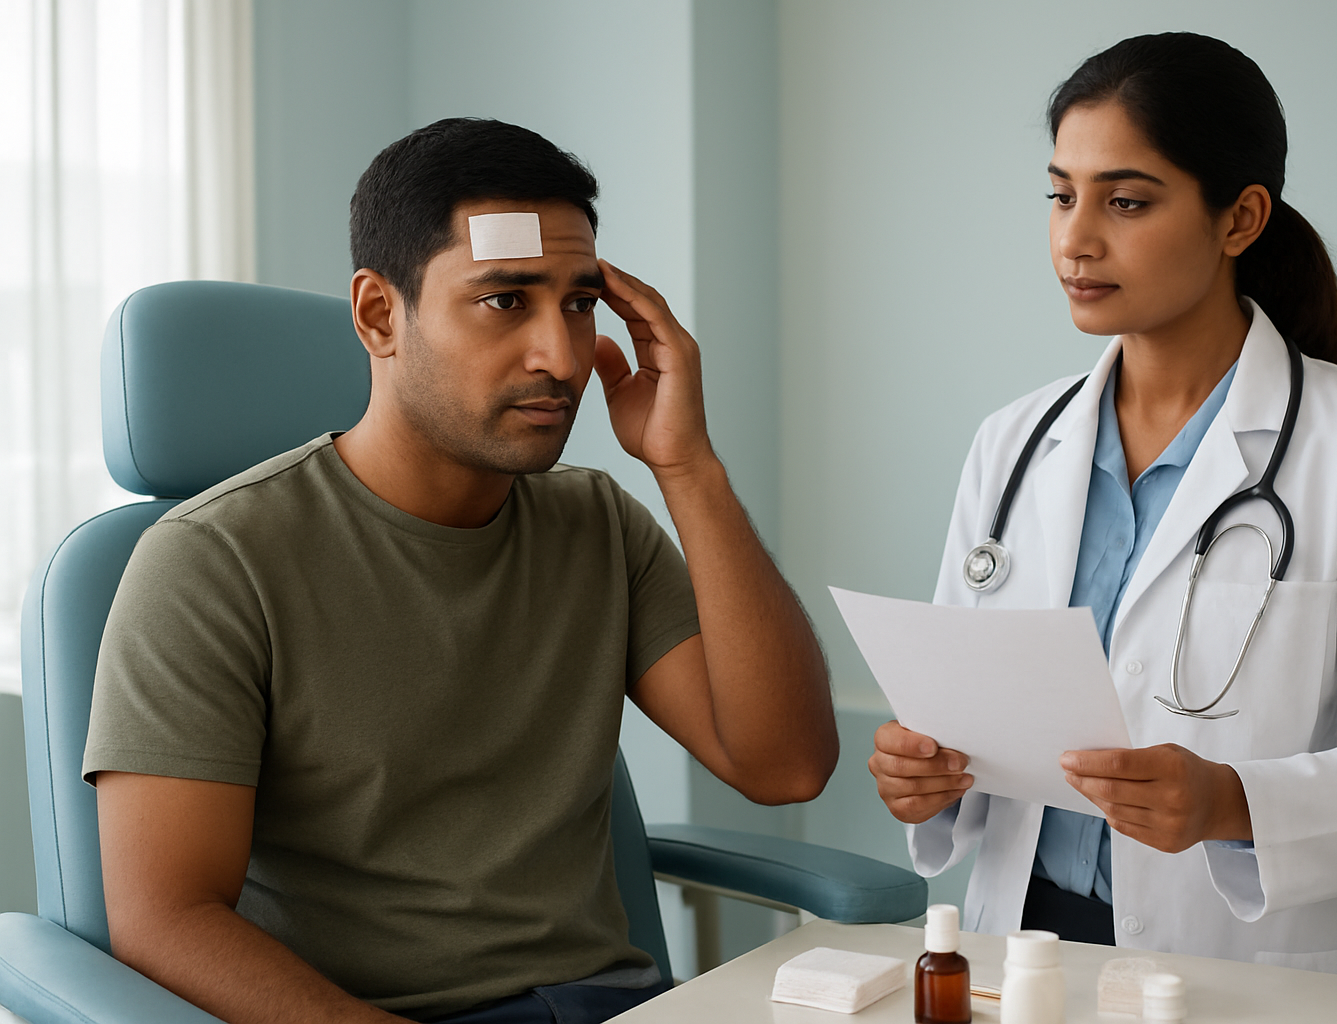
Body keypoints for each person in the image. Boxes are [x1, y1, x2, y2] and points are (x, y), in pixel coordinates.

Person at [83, 118, 838, 1024]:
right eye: (504, 300)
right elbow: (165, 919)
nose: (561, 359)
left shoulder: (596, 522)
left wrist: (688, 467)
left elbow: (786, 766)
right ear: (377, 315)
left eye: (578, 302)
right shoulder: (213, 561)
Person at [868, 33, 1337, 980]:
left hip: (1250, 967)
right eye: (1060, 194)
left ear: (1240, 219)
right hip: (1023, 949)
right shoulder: (1013, 442)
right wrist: (926, 776)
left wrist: (1230, 804)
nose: (1076, 237)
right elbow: (966, 712)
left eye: (1125, 201)